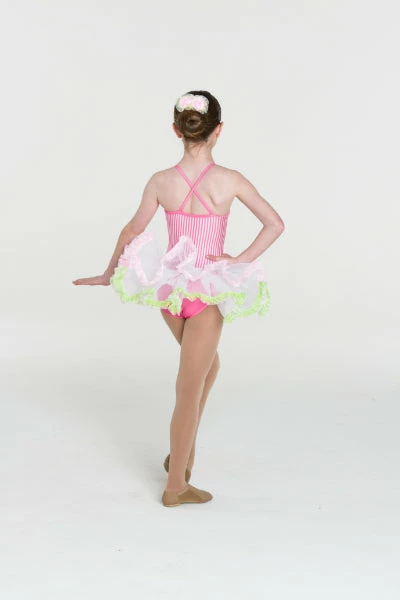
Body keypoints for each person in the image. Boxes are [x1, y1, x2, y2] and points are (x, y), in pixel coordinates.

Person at [72, 90, 285, 507]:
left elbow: (131, 231)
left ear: (176, 130)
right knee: (188, 388)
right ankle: (176, 486)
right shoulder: (230, 179)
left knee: (208, 367)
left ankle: (180, 455)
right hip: (205, 290)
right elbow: (275, 224)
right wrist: (238, 260)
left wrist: (108, 272)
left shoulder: (160, 181)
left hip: (169, 290)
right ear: (218, 130)